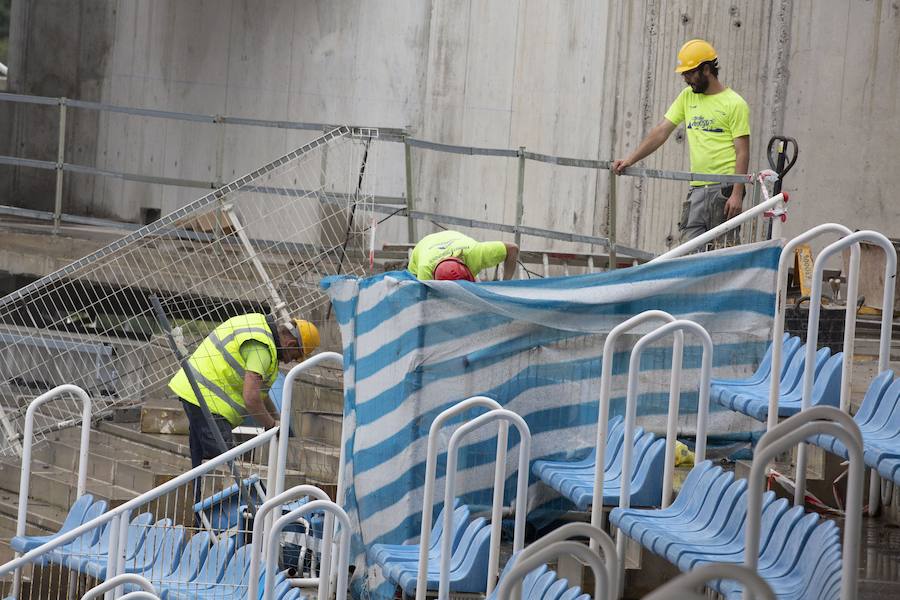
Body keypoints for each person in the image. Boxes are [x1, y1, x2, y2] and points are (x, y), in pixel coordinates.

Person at [612, 39, 750, 242]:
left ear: (706, 70)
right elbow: (661, 131)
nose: (686, 79)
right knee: (687, 253)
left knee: (723, 255)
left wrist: (737, 194)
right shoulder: (687, 97)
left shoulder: (735, 104)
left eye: (689, 73)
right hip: (697, 189)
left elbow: (743, 152)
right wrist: (630, 160)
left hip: (725, 190)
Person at [168, 313, 320, 468]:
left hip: (197, 392)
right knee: (226, 466)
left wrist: (279, 419)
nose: (291, 361)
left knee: (203, 461)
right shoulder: (263, 350)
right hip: (207, 399)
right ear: (291, 344)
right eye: (296, 356)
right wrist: (272, 426)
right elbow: (251, 398)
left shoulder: (258, 328)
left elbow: (260, 393)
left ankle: (198, 491)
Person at [407, 230, 519, 281]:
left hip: (452, 238)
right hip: (424, 245)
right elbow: (423, 306)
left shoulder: (475, 254)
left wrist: (505, 284)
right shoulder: (424, 270)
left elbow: (513, 249)